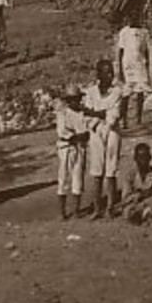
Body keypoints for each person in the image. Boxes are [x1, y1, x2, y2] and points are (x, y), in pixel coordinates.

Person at [83, 60, 125, 218]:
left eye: (111, 72)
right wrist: (99, 114)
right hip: (95, 131)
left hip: (112, 131)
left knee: (111, 170)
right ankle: (97, 207)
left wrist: (96, 113)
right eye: (106, 72)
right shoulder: (90, 92)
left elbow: (114, 115)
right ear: (98, 74)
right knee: (96, 171)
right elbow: (86, 115)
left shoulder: (117, 92)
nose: (110, 75)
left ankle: (110, 207)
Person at [55, 84, 92, 220]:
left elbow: (86, 131)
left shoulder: (82, 113)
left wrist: (82, 136)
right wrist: (77, 136)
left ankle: (76, 210)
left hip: (80, 147)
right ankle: (62, 212)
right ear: (68, 101)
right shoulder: (62, 113)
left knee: (78, 178)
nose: (75, 102)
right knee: (63, 178)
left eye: (77, 99)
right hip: (66, 148)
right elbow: (62, 132)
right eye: (72, 99)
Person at [113, 13, 152, 130]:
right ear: (127, 18)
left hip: (140, 66)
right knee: (125, 94)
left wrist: (148, 67)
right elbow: (120, 52)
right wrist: (120, 70)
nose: (133, 19)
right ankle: (123, 120)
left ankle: (138, 120)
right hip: (128, 68)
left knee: (140, 94)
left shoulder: (144, 32)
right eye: (131, 17)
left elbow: (146, 52)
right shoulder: (124, 32)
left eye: (136, 17)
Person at [120, 143, 152, 226]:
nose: (143, 161)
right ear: (135, 159)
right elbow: (125, 197)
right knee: (129, 211)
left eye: (145, 158)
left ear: (149, 158)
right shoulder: (130, 174)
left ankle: (146, 216)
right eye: (140, 158)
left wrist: (144, 197)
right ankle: (143, 216)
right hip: (134, 204)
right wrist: (136, 196)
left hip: (149, 203)